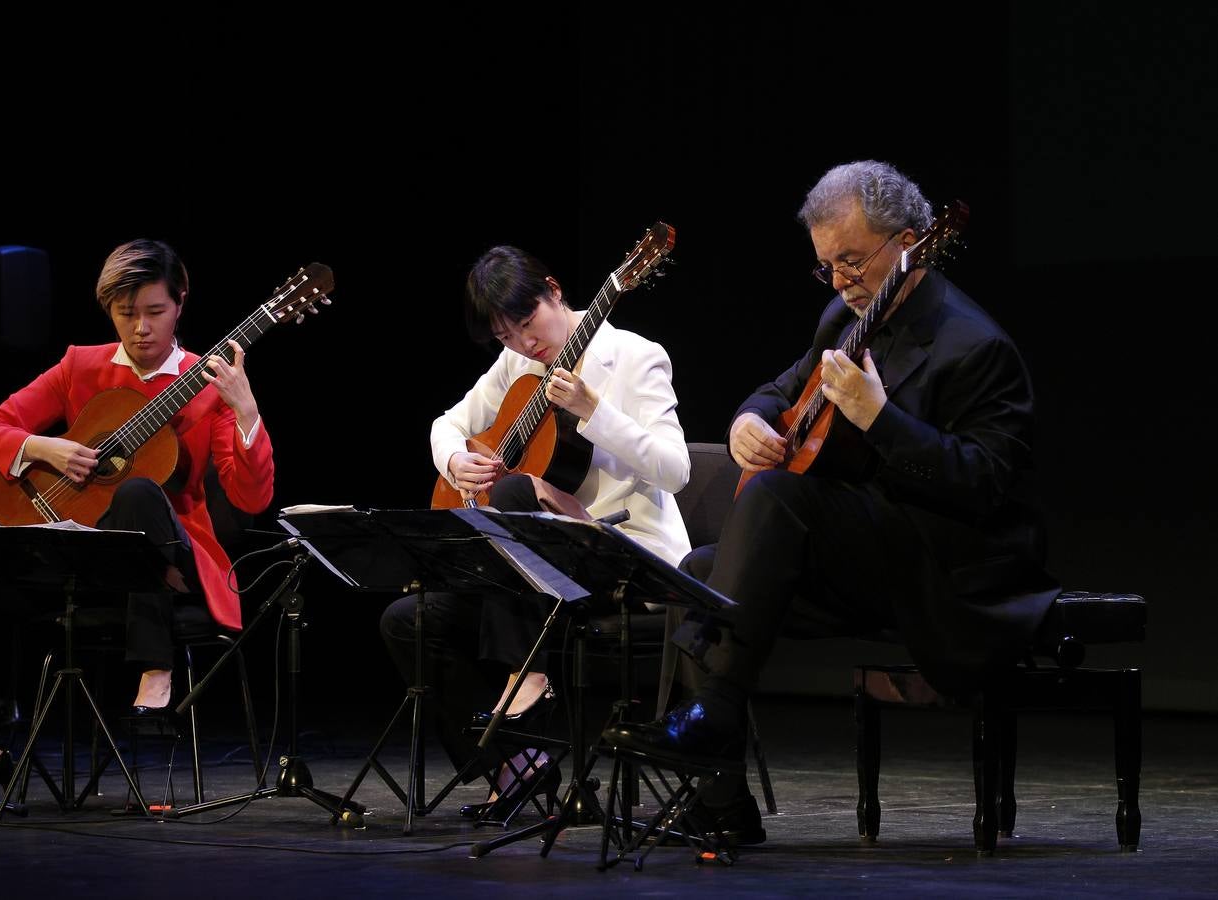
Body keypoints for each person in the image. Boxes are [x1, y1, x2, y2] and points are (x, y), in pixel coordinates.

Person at [605, 161, 1060, 839]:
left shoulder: (975, 347)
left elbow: (985, 485)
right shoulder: (842, 319)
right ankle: (721, 806)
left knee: (784, 500)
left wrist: (881, 419)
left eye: (850, 260)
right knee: (699, 572)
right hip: (867, 557)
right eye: (826, 266)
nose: (840, 280)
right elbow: (778, 389)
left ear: (909, 243)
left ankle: (716, 707)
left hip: (946, 567)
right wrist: (746, 424)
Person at [0, 239, 275, 810]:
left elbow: (251, 496)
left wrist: (247, 411)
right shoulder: (79, 366)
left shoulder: (207, 387)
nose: (140, 328)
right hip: (75, 559)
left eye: (155, 312)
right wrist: (47, 448)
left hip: (166, 565)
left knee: (138, 489)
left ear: (180, 303)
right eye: (125, 313)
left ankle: (156, 670)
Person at [379, 244, 692, 819]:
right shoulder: (518, 365)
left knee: (516, 493)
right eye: (506, 337)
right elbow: (446, 423)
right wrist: (455, 463)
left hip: (618, 556)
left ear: (553, 290)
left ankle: (530, 680)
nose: (525, 343)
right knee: (410, 621)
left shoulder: (636, 356)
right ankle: (514, 765)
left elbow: (676, 469)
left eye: (528, 323)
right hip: (539, 576)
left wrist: (595, 411)